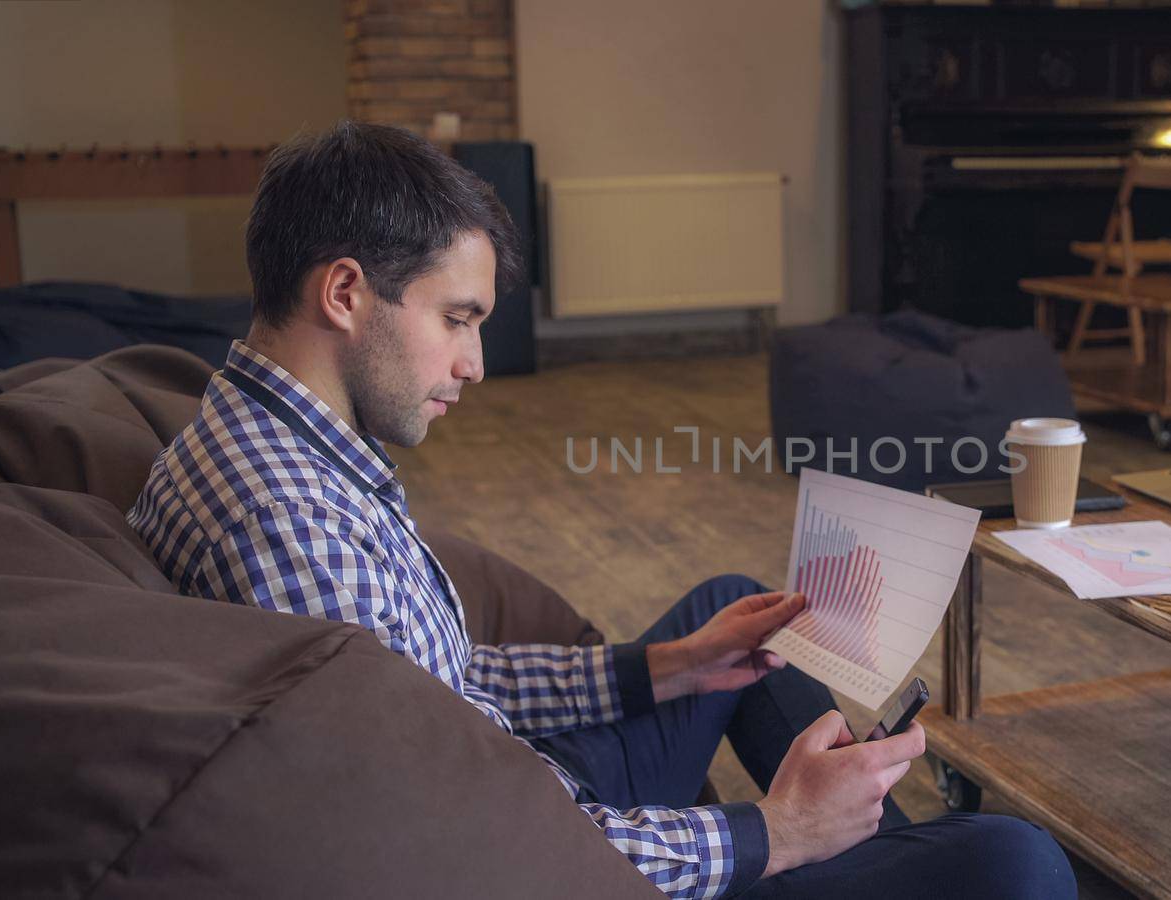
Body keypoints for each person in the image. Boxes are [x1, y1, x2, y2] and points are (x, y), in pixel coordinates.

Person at [129, 121, 1076, 899]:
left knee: (728, 611)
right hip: (544, 853)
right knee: (1015, 860)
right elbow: (471, 848)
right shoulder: (291, 525)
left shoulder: (269, 441)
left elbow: (437, 687)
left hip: (512, 789)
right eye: (456, 318)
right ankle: (869, 862)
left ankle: (866, 855)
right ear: (344, 292)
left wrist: (664, 669)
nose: (475, 364)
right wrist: (770, 834)